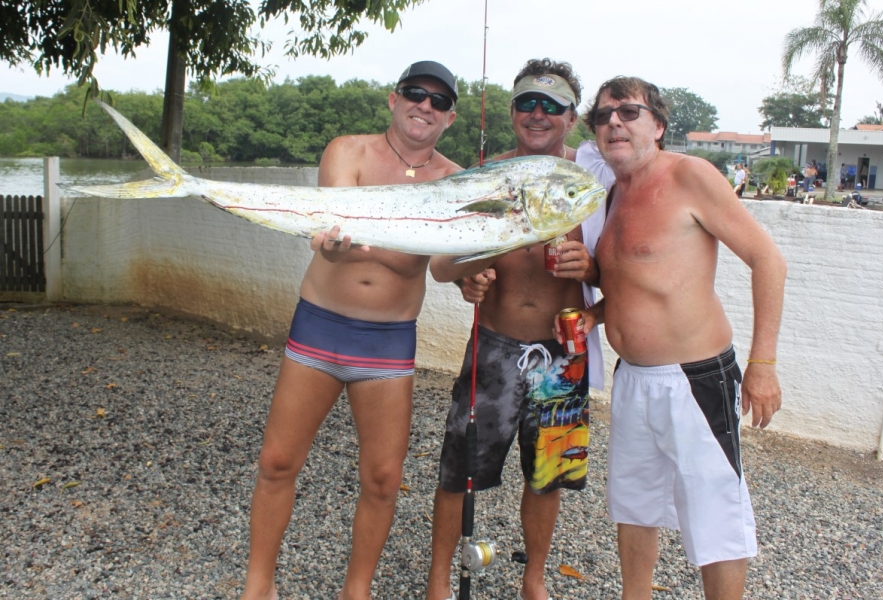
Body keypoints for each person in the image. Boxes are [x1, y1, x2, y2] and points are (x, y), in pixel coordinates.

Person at [240, 60, 461, 600]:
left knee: (384, 479)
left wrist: (475, 268)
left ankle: (355, 591)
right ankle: (258, 584)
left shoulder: (455, 181)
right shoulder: (348, 151)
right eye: (415, 93)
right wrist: (332, 242)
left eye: (437, 101)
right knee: (277, 460)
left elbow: (441, 266)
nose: (424, 106)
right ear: (393, 99)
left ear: (450, 118)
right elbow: (332, 226)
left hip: (388, 342)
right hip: (319, 326)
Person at [574, 76, 786, 600]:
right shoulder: (609, 194)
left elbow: (768, 260)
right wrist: (595, 315)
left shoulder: (691, 176)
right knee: (635, 506)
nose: (614, 123)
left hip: (696, 380)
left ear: (659, 125)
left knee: (715, 513)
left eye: (628, 112)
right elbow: (638, 279)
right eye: (603, 116)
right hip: (634, 380)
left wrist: (763, 364)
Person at [425, 58, 614, 600]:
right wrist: (472, 275)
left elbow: (621, 270)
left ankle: (534, 580)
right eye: (528, 102)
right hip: (493, 346)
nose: (538, 114)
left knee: (547, 476)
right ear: (512, 112)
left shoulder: (594, 178)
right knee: (460, 471)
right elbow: (442, 267)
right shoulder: (485, 177)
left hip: (564, 355)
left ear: (572, 118)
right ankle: (440, 580)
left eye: (552, 106)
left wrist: (591, 270)